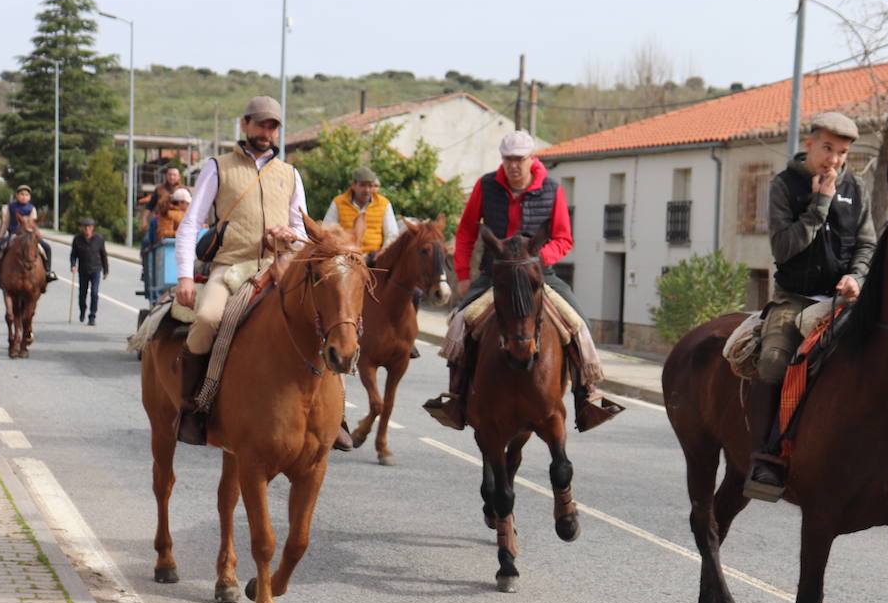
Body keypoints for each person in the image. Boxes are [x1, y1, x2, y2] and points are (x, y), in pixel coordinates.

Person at [173, 96, 353, 451]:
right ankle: (195, 405)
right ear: (245, 125)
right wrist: (183, 276)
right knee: (209, 318)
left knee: (327, 321)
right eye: (260, 124)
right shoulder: (218, 167)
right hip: (229, 266)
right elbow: (191, 222)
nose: (266, 132)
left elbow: (304, 229)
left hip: (280, 266)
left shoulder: (289, 173)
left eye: (272, 126)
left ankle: (338, 415)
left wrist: (290, 235)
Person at [422, 130, 623, 432]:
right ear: (502, 159)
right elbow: (465, 232)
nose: (513, 165)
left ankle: (586, 398)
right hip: (495, 274)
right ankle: (457, 398)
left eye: (519, 159)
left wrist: (538, 260)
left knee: (580, 324)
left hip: (538, 274)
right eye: (508, 159)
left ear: (531, 159)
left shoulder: (552, 190)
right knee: (460, 322)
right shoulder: (486, 186)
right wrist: (463, 275)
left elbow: (563, 239)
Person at [743, 111, 877, 502]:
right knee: (772, 359)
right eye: (828, 148)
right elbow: (783, 247)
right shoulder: (784, 185)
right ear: (810, 144)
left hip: (846, 299)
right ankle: (766, 455)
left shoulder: (858, 187)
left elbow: (867, 244)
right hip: (794, 299)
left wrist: (858, 278)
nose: (834, 159)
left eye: (842, 152)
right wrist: (820, 203)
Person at [322, 164, 419, 356]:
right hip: (347, 260)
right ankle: (329, 332)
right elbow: (327, 230)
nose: (367, 190)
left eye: (371, 185)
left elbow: (392, 234)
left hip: (377, 260)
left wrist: (383, 252)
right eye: (363, 185)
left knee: (414, 293)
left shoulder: (383, 203)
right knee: (331, 288)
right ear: (354, 185)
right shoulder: (338, 203)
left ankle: (407, 336)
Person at [0, 185, 57, 286]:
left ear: (29, 197)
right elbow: (6, 222)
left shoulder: (31, 208)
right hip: (14, 234)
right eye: (22, 194)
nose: (24, 197)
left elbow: (34, 223)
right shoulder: (10, 207)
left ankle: (47, 272)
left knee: (47, 247)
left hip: (29, 235)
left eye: (26, 195)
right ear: (17, 195)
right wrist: (1, 235)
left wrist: (36, 236)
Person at [70, 217, 109, 326]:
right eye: (85, 227)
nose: (87, 229)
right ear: (82, 228)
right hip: (83, 270)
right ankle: (83, 311)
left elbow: (103, 255)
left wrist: (106, 270)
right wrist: (73, 265)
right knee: (82, 294)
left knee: (94, 293)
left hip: (96, 269)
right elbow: (73, 254)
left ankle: (92, 316)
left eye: (89, 227)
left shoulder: (99, 239)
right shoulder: (77, 239)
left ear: (92, 228)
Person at [142, 165, 184, 232]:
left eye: (174, 175)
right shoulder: (159, 189)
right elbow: (149, 206)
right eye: (170, 174)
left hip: (180, 222)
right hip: (161, 221)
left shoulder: (184, 190)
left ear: (179, 176)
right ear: (166, 176)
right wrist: (144, 220)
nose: (172, 177)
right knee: (146, 241)